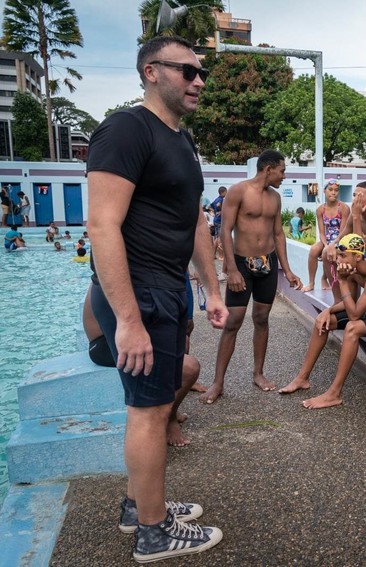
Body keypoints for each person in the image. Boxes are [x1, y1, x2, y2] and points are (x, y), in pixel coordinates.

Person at [86, 35, 226, 561]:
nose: (198, 81)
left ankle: (137, 506)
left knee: (156, 401)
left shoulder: (181, 140)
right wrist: (127, 317)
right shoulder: (127, 129)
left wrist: (211, 287)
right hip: (137, 292)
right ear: (151, 72)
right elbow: (102, 225)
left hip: (168, 290)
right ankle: (153, 531)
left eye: (201, 73)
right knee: (148, 411)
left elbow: (193, 218)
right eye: (187, 71)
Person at [201, 149, 303, 404]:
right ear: (268, 169)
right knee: (233, 321)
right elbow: (225, 230)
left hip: (268, 263)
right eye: (282, 170)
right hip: (242, 264)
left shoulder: (275, 198)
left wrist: (287, 270)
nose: (283, 176)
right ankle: (218, 383)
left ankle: (258, 373)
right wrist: (232, 268)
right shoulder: (238, 191)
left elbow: (278, 234)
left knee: (261, 318)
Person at [278, 233, 366, 408]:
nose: (338, 260)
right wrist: (329, 310)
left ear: (357, 256)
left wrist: (342, 281)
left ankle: (334, 393)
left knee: (352, 328)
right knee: (323, 321)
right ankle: (302, 378)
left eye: (342, 255)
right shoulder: (352, 269)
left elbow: (354, 315)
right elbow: (349, 303)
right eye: (338, 255)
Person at [83, 282, 200, 447]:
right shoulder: (117, 276)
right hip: (103, 345)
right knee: (189, 368)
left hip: (118, 338)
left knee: (182, 341)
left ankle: (170, 403)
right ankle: (169, 419)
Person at [303, 180, 350, 292]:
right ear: (324, 191)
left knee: (326, 252)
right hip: (327, 239)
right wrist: (325, 244)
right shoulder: (320, 210)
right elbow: (322, 233)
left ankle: (325, 278)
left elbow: (343, 232)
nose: (333, 193)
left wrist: (332, 245)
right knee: (314, 250)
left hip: (341, 239)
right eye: (330, 189)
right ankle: (311, 283)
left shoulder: (343, 208)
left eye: (336, 190)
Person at [210, 186, 226, 259]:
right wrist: (221, 211)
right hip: (220, 221)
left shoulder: (216, 199)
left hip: (216, 220)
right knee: (220, 238)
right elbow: (218, 205)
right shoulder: (221, 199)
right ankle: (221, 256)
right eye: (226, 192)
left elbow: (209, 206)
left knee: (217, 238)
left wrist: (214, 212)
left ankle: (213, 254)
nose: (227, 193)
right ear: (222, 192)